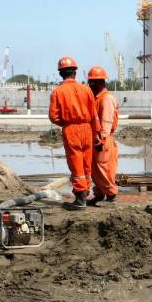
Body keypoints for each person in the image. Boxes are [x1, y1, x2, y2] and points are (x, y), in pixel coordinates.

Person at [48, 56, 101, 209]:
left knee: (76, 163)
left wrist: (66, 122)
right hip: (87, 129)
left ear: (60, 74)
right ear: (75, 73)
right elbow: (94, 114)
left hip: (71, 130)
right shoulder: (86, 90)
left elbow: (53, 116)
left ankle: (80, 198)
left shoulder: (58, 92)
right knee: (86, 164)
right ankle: (85, 192)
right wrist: (97, 133)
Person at [87, 66, 120, 205]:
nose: (90, 85)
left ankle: (111, 195)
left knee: (104, 169)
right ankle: (99, 194)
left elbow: (106, 121)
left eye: (92, 83)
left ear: (99, 83)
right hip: (97, 139)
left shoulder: (106, 99)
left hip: (103, 140)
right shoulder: (97, 98)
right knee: (95, 170)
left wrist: (102, 140)